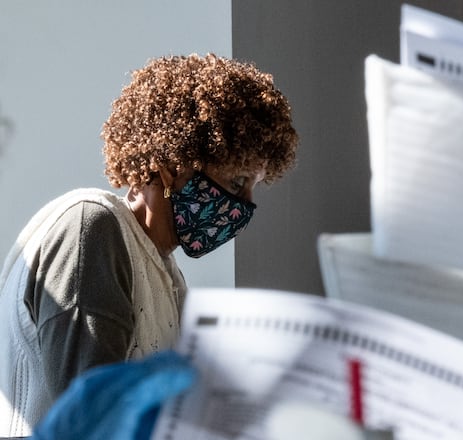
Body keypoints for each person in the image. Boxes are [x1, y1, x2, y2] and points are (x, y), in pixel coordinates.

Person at [0, 53, 298, 437]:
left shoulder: (168, 278)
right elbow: (95, 420)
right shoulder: (92, 225)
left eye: (255, 186)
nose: (247, 203)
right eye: (238, 181)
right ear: (172, 165)